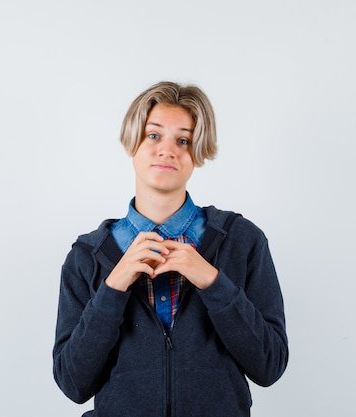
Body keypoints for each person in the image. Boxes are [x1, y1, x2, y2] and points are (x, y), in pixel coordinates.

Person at [53, 81, 288, 417]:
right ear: (133, 141)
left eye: (183, 140)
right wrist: (113, 287)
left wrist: (212, 281)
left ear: (198, 152)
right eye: (153, 135)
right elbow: (73, 383)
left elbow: (270, 365)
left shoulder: (242, 240)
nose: (167, 150)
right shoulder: (87, 255)